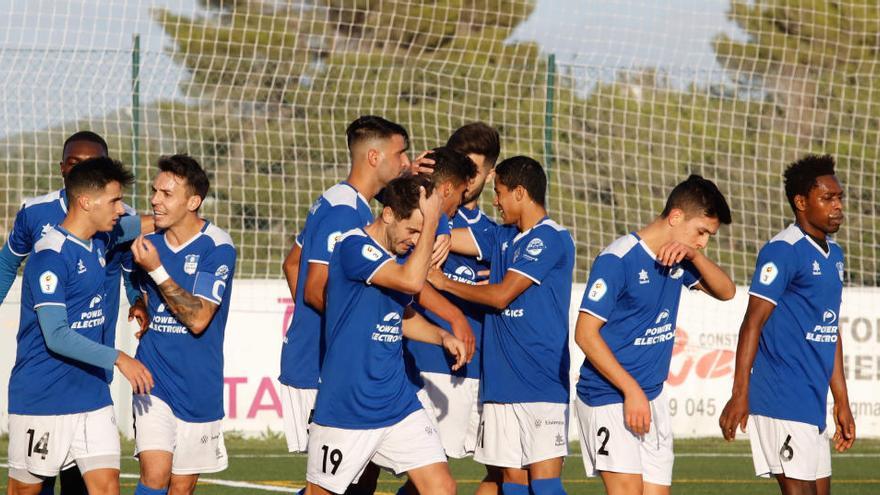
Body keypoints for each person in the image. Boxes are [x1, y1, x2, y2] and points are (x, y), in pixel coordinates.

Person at [575, 174, 735, 495]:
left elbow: (727, 291)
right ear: (676, 217)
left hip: (652, 397)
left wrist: (695, 256)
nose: (703, 241)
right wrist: (631, 390)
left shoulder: (681, 258)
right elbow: (585, 334)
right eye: (701, 232)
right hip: (610, 396)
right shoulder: (618, 259)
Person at [305, 176, 466, 495]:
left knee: (442, 488)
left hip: (395, 401)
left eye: (423, 232)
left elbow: (398, 318)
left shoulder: (394, 260)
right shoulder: (353, 245)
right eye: (413, 230)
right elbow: (411, 282)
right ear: (389, 214)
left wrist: (441, 336)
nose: (418, 240)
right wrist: (433, 221)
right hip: (347, 406)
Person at [427, 156, 574, 495]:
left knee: (546, 484)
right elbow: (440, 229)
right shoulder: (502, 237)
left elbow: (501, 296)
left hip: (541, 382)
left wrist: (444, 282)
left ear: (520, 193)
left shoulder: (551, 238)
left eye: (500, 193)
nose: (495, 201)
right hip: (500, 384)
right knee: (512, 484)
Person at [6, 157, 154, 495]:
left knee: (106, 486)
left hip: (92, 396)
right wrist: (120, 357)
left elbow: (151, 222)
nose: (122, 209)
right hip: (42, 400)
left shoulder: (103, 237)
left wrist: (185, 210)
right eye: (115, 200)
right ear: (86, 202)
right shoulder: (50, 257)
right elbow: (56, 336)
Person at [719, 155, 855, 495]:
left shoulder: (834, 255)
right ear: (801, 202)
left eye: (839, 197)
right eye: (828, 198)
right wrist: (740, 393)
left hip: (811, 401)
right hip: (779, 398)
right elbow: (752, 323)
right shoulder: (782, 251)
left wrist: (841, 401)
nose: (837, 206)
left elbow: (830, 329)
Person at [278, 115, 414, 455]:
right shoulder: (345, 212)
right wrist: (347, 328)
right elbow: (313, 288)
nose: (406, 163)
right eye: (401, 154)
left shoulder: (338, 200)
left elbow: (292, 264)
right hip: (319, 367)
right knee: (333, 482)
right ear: (374, 157)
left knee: (355, 476)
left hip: (325, 361)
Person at [400, 123, 501, 495]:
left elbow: (496, 249)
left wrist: (439, 228)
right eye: (463, 170)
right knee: (425, 473)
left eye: (475, 171)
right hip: (425, 360)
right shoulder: (422, 214)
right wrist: (434, 225)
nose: (469, 179)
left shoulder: (492, 231)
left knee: (504, 471)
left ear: (489, 175)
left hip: (474, 365)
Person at [129, 155, 237, 495]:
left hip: (198, 386)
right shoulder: (147, 242)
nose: (155, 200)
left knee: (181, 486)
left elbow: (199, 318)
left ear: (193, 201)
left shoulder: (217, 246)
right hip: (153, 378)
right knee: (155, 475)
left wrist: (157, 270)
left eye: (166, 193)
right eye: (154, 190)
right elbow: (125, 272)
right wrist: (137, 300)